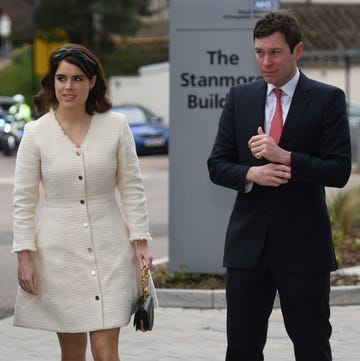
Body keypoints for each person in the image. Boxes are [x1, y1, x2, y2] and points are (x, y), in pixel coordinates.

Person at [207, 10, 351, 361]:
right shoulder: (240, 97)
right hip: (247, 247)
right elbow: (217, 165)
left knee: (312, 345)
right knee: (241, 348)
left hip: (303, 247)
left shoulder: (327, 98)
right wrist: (251, 175)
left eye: (275, 52)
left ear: (297, 50)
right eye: (259, 52)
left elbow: (339, 171)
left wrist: (285, 157)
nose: (266, 61)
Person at [12, 43, 155, 361]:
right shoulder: (35, 133)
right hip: (58, 256)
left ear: (93, 82)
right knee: (73, 352)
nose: (68, 86)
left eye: (77, 78)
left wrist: (141, 241)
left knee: (106, 352)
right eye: (61, 78)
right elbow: (24, 200)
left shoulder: (116, 126)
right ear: (52, 82)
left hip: (112, 250)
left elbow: (132, 188)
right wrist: (24, 256)